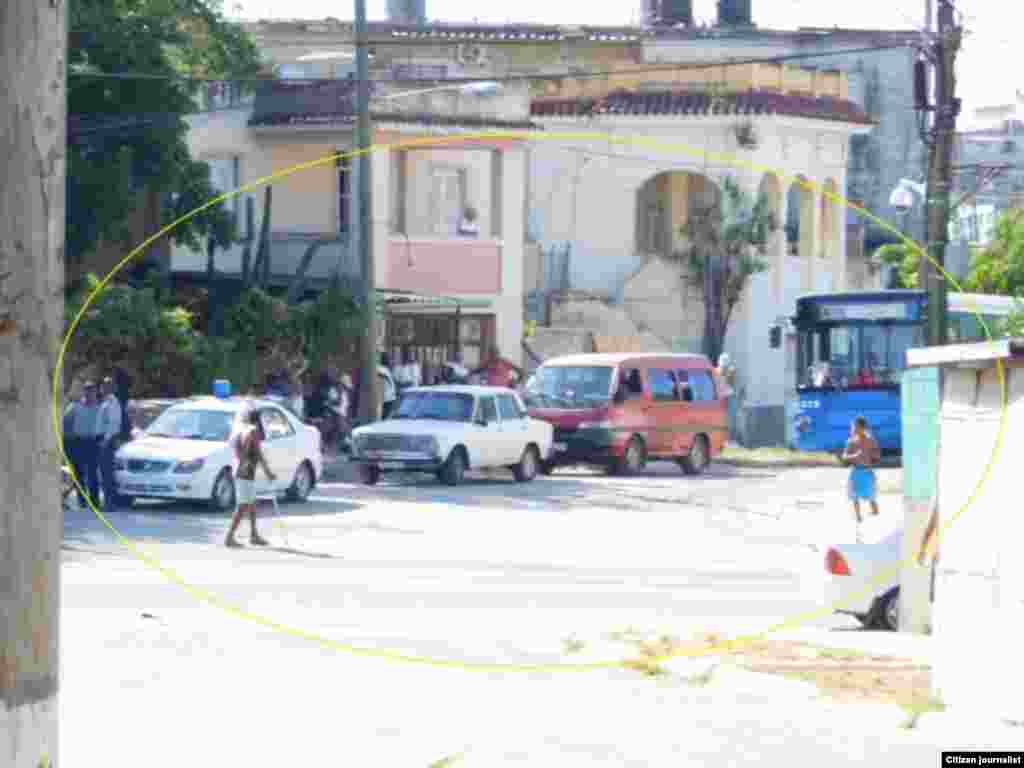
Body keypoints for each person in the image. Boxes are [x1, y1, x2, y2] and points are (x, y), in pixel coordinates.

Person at [224, 409, 277, 548]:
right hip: (245, 473)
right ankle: (229, 537)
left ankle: (254, 535)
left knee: (252, 504)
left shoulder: (244, 430)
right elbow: (258, 454)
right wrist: (268, 473)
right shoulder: (253, 431)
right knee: (242, 506)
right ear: (258, 419)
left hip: (244, 472)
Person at [63, 381, 102, 509]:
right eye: (87, 390)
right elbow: (65, 423)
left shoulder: (101, 408)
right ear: (84, 391)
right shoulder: (75, 407)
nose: (89, 392)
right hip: (78, 442)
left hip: (93, 442)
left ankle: (94, 502)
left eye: (92, 390)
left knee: (92, 474)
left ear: (96, 392)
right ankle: (82, 501)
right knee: (78, 474)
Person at [843, 415, 881, 539]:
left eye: (855, 427)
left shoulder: (871, 440)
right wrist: (854, 456)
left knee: (872, 497)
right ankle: (858, 522)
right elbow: (844, 457)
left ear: (862, 427)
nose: (852, 429)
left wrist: (874, 456)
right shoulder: (851, 441)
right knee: (854, 497)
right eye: (853, 427)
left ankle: (876, 520)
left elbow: (877, 455)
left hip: (867, 472)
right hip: (856, 472)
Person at [97, 376, 124, 511]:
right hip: (104, 439)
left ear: (111, 388)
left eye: (107, 385)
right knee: (104, 473)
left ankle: (110, 503)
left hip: (108, 440)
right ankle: (108, 502)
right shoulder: (105, 401)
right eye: (104, 384)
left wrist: (105, 441)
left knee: (107, 473)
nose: (104, 387)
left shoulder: (112, 402)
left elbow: (113, 424)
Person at [379, 353, 397, 419]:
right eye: (389, 359)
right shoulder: (382, 370)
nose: (391, 361)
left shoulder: (385, 369)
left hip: (388, 398)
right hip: (387, 398)